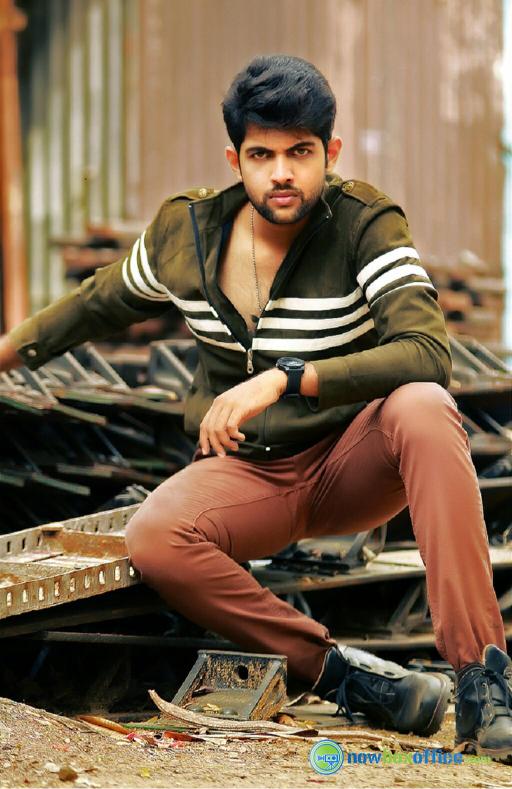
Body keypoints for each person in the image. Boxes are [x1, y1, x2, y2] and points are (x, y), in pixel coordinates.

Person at [1, 54, 510, 760]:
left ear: (330, 152)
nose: (281, 173)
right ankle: (348, 676)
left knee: (423, 406)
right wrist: (9, 351)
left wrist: (285, 379)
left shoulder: (365, 223)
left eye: (300, 153)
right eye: (262, 155)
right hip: (247, 475)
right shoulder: (186, 236)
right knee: (156, 536)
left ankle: (483, 680)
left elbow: (428, 352)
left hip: (352, 460)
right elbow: (97, 303)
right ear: (234, 159)